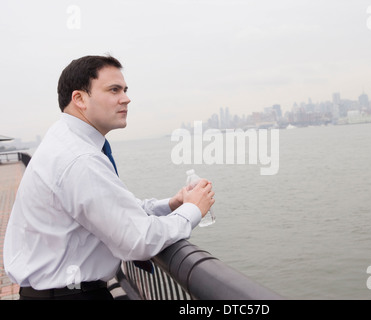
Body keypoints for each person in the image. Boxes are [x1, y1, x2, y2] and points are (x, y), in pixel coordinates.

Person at [3, 55, 215, 300]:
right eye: (114, 90)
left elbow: (113, 209)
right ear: (79, 99)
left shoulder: (66, 140)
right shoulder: (79, 158)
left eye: (124, 90)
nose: (126, 98)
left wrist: (171, 205)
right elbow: (138, 240)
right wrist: (192, 210)